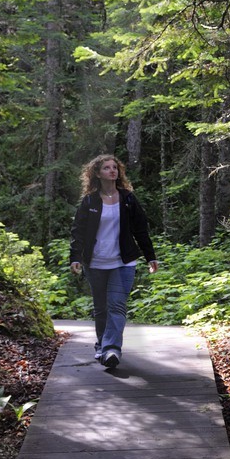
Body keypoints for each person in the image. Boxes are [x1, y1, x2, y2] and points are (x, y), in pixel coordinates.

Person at [68, 154, 159, 368]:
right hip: (96, 262)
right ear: (97, 174)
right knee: (101, 308)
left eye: (115, 167)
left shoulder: (127, 198)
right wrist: (75, 257)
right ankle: (102, 345)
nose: (112, 171)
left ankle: (111, 350)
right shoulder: (90, 200)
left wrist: (150, 256)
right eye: (107, 168)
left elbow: (140, 229)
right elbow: (78, 231)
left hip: (123, 261)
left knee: (117, 306)